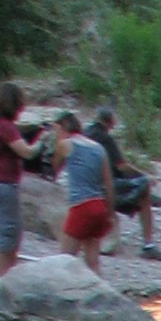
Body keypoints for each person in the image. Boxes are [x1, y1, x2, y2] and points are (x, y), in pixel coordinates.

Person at [84, 106, 161, 264]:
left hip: (88, 185)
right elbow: (122, 166)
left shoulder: (86, 133)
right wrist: (144, 175)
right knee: (144, 188)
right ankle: (148, 245)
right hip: (105, 188)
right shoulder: (106, 139)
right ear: (111, 121)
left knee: (138, 187)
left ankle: (149, 198)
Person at [0, 81, 44, 279]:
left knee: (10, 229)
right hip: (3, 183)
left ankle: (8, 274)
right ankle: (2, 278)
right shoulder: (4, 126)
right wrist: (42, 140)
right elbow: (27, 152)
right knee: (7, 231)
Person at [51, 111, 115, 279]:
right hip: (100, 206)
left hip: (81, 206)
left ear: (62, 127)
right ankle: (100, 292)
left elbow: (54, 169)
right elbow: (109, 184)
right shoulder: (99, 148)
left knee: (64, 260)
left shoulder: (65, 144)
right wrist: (110, 213)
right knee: (93, 262)